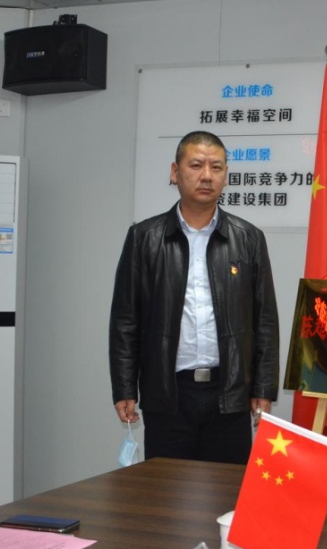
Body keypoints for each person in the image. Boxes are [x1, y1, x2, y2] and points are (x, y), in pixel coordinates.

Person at [109, 130, 280, 464]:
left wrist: (263, 387)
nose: (206, 176)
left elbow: (265, 322)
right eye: (196, 165)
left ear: (226, 175)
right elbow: (125, 321)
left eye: (216, 167)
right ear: (176, 172)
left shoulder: (248, 239)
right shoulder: (145, 238)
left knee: (227, 489)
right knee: (165, 490)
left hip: (229, 394)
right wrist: (125, 388)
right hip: (168, 394)